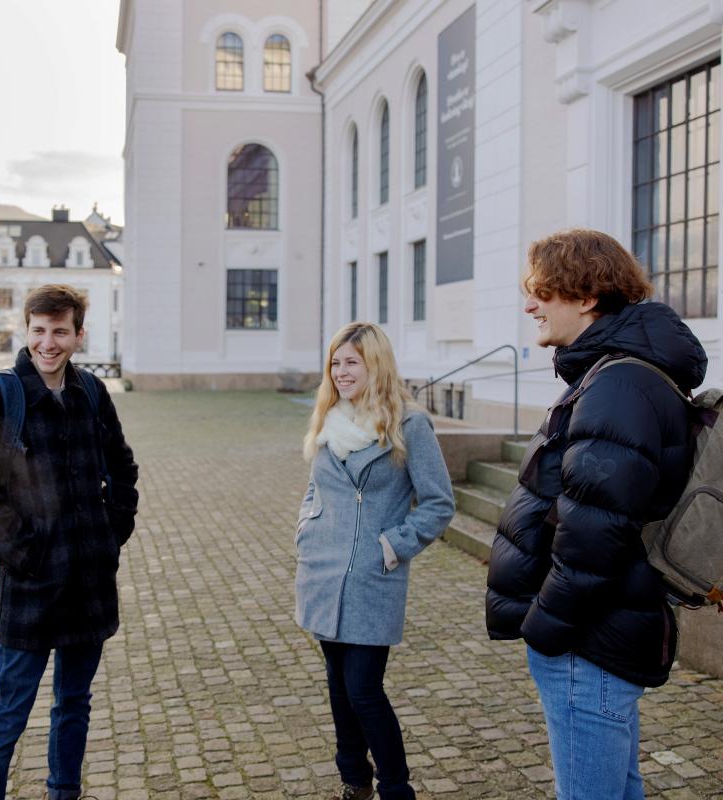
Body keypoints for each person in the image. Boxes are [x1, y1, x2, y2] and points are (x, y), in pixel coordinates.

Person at [485, 229, 707, 800]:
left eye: (540, 291)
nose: (529, 305)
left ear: (586, 297)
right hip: (598, 633)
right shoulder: (615, 373)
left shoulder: (619, 383)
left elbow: (595, 533)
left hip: (588, 640)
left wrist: (545, 628)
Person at [0, 284, 139, 800]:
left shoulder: (92, 393)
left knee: (74, 703)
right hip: (31, 589)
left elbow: (122, 466)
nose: (48, 342)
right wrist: (25, 555)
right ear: (27, 331)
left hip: (89, 585)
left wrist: (111, 532)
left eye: (60, 331)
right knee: (8, 713)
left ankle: (65, 792)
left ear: (79, 335)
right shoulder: (0, 395)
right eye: (39, 330)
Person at [295, 322, 455, 800]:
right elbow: (315, 486)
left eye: (352, 362)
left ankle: (395, 788)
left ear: (376, 365)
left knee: (364, 689)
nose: (341, 372)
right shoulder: (329, 418)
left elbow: (439, 503)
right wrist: (307, 526)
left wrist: (392, 546)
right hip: (322, 571)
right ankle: (354, 781)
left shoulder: (409, 424)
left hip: (371, 577)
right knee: (337, 687)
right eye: (335, 362)